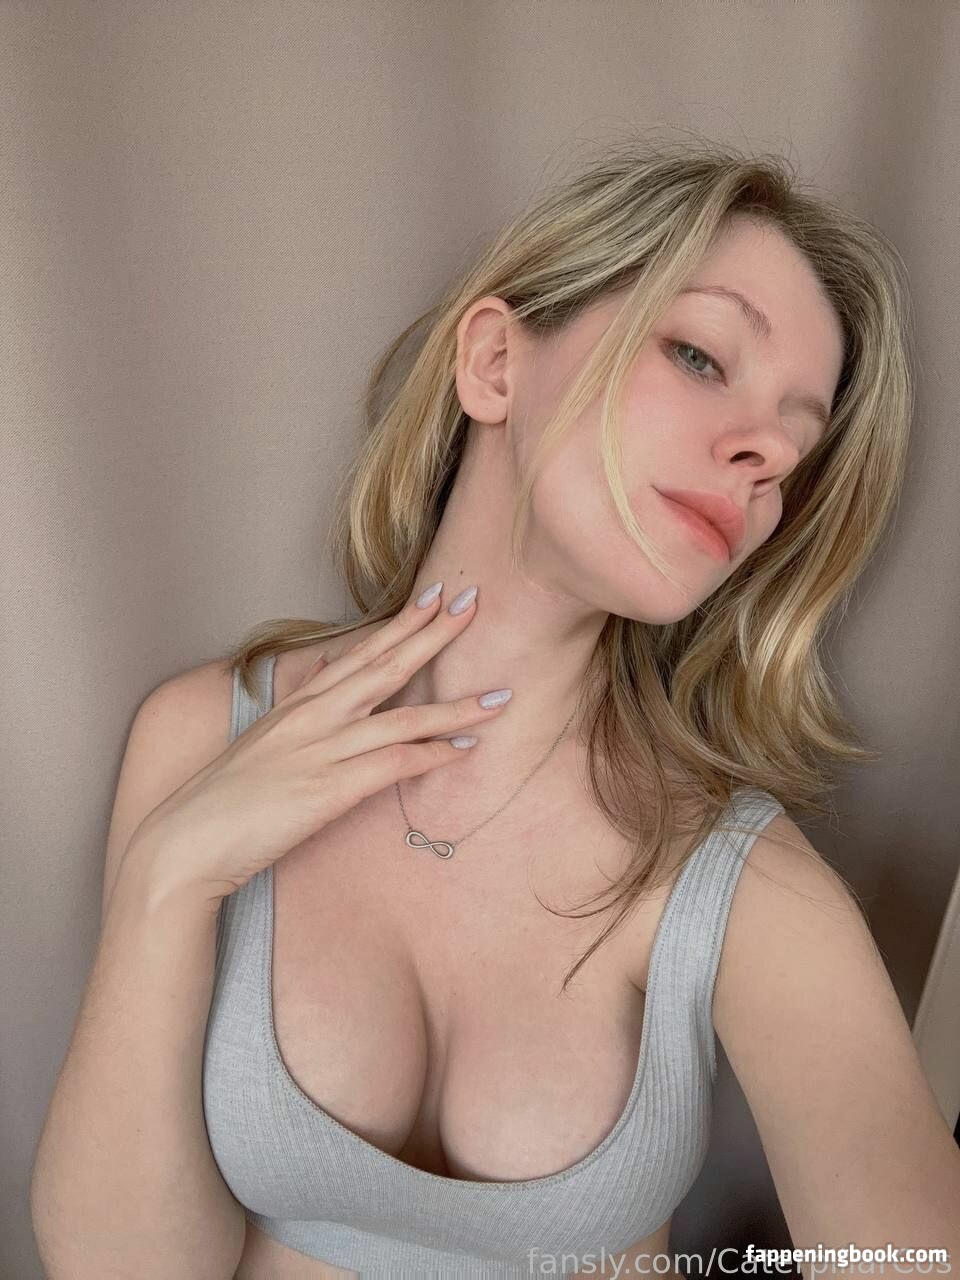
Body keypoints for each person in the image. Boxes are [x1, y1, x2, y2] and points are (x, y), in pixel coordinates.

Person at [31, 137, 960, 1280]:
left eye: (795, 447)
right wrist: (168, 878)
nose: (763, 454)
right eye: (700, 355)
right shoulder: (200, 740)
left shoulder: (746, 887)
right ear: (494, 363)